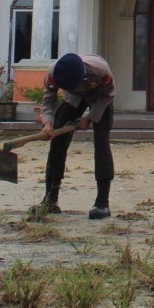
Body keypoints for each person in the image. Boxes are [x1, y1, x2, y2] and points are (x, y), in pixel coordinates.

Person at [33, 53, 116, 220]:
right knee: (57, 143)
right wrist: (48, 124)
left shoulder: (100, 70)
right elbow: (48, 101)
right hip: (72, 100)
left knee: (101, 144)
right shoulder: (53, 73)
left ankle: (102, 203)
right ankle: (50, 200)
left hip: (100, 98)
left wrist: (89, 118)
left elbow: (108, 95)